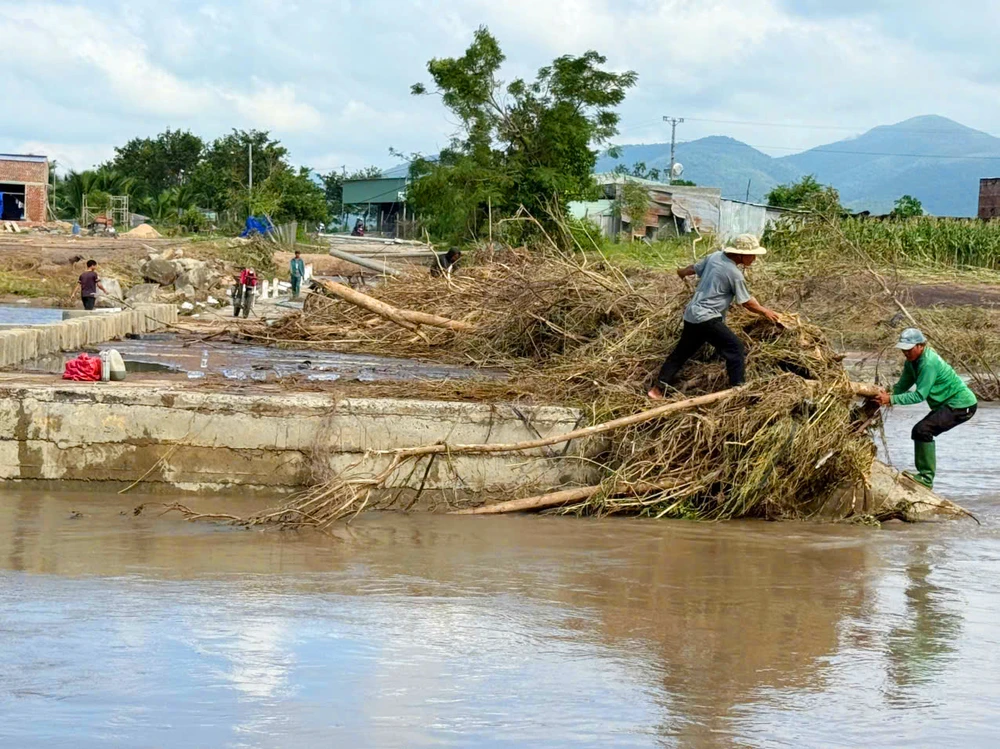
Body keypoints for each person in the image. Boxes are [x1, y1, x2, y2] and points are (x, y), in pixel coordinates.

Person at [648, 234, 782, 399]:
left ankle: (657, 390)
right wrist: (765, 312)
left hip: (692, 315)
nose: (754, 258)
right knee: (736, 348)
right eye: (752, 255)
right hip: (707, 318)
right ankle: (738, 391)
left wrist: (681, 272)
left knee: (681, 353)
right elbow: (746, 302)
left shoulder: (715, 256)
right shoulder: (734, 274)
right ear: (740, 254)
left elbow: (693, 269)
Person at [874, 328, 977, 489]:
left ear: (921, 346)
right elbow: (903, 384)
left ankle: (926, 478)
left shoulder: (928, 363)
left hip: (962, 404)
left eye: (909, 349)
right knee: (920, 431)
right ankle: (924, 476)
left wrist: (891, 399)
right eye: (903, 349)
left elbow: (919, 395)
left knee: (922, 430)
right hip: (947, 404)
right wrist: (887, 394)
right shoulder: (911, 363)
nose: (905, 353)